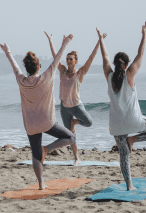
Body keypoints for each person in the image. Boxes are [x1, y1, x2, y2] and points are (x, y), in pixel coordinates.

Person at [96, 22, 146, 191]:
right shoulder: (130, 74)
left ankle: (129, 185)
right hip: (135, 121)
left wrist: (101, 40)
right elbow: (140, 53)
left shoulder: (109, 75)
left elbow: (104, 58)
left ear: (114, 64)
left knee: (124, 156)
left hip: (116, 125)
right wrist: (144, 34)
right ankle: (133, 139)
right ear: (127, 65)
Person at [0, 34, 76, 190]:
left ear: (27, 68)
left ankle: (41, 184)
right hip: (47, 122)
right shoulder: (46, 77)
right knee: (71, 137)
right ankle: (47, 149)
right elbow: (57, 59)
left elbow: (14, 66)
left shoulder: (21, 80)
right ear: (39, 67)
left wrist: (7, 51)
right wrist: (65, 42)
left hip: (31, 125)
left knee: (35, 154)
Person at [44, 31, 107, 165]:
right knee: (71, 137)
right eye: (67, 59)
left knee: (89, 122)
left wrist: (99, 41)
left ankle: (75, 123)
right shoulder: (61, 70)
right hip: (64, 108)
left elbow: (91, 57)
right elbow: (56, 56)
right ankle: (77, 158)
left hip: (77, 106)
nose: (68, 61)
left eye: (70, 59)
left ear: (76, 61)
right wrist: (50, 40)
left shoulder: (80, 73)